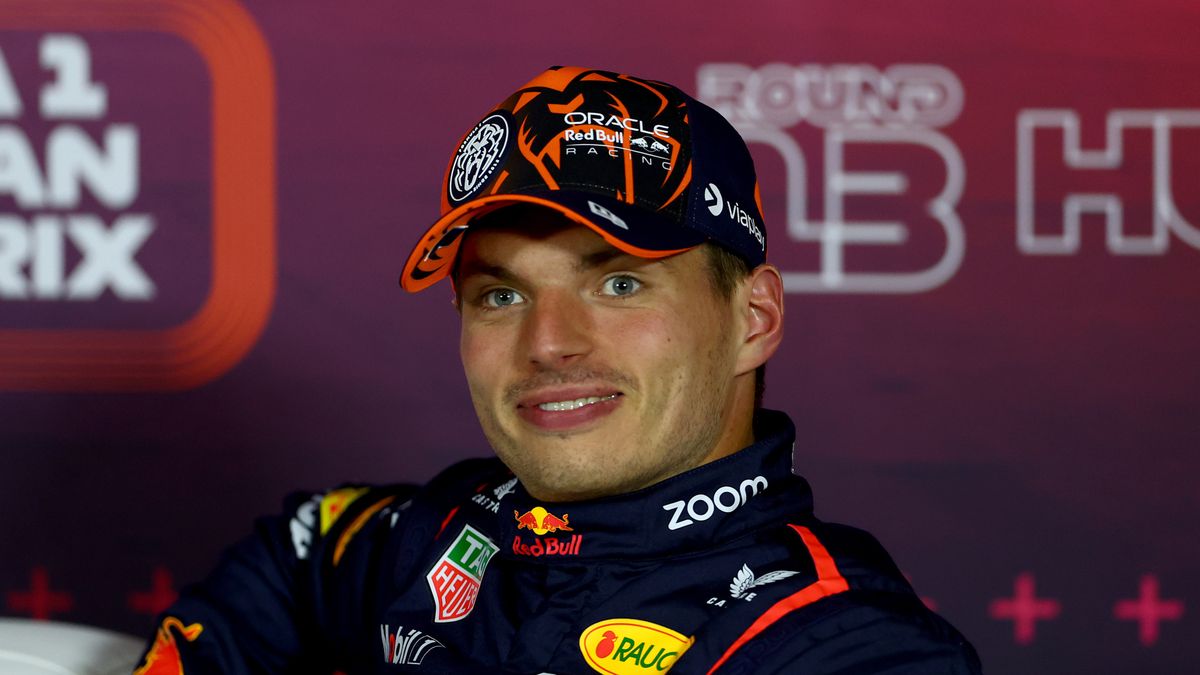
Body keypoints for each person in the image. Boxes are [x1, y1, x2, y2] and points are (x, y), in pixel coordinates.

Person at [135, 66, 982, 675]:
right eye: (501, 295)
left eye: (618, 284)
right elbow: (298, 552)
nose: (547, 343)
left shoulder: (840, 643)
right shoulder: (439, 535)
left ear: (752, 319)